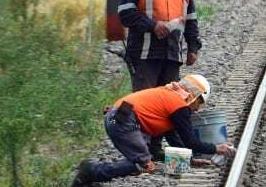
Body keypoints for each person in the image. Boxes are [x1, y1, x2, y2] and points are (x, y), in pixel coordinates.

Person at [71, 74, 236, 185]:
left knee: (148, 158)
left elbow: (173, 138)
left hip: (119, 118)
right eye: (199, 103)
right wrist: (216, 148)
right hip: (123, 120)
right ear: (195, 95)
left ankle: (89, 181)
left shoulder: (170, 96)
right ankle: (91, 171)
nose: (198, 109)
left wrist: (188, 160)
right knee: (142, 164)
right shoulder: (179, 104)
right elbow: (191, 141)